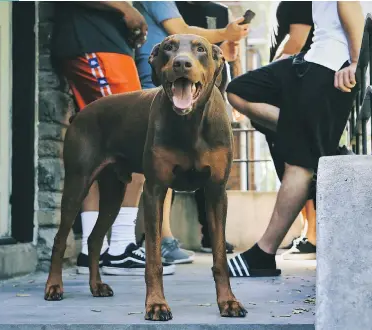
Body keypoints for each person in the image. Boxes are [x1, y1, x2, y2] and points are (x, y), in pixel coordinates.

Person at [225, 1, 363, 277]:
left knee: (299, 164)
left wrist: (356, 61)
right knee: (238, 90)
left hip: (331, 68)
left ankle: (263, 254)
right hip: (309, 61)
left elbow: (350, 5)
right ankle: (314, 136)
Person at [50, 1, 175, 276]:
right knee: (140, 145)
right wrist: (125, 9)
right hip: (94, 43)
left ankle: (95, 251)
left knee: (99, 152)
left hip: (105, 45)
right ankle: (119, 248)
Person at [133, 1, 249, 263]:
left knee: (195, 158)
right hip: (160, 83)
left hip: (192, 83)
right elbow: (180, 29)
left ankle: (186, 237)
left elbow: (227, 55)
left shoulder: (217, 10)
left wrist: (228, 45)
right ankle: (160, 240)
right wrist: (225, 34)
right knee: (161, 167)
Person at [253, 1, 318, 260]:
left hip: (295, 86)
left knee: (298, 159)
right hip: (293, 85)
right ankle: (308, 233)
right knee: (290, 160)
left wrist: (263, 77)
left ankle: (313, 235)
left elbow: (297, 40)